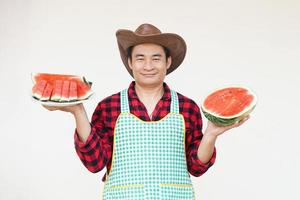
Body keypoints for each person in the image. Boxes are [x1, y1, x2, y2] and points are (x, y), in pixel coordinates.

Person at [44, 23, 249, 199]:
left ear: (167, 62)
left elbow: (196, 167)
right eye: (140, 58)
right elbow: (95, 162)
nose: (148, 65)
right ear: (130, 63)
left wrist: (211, 133)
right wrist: (79, 111)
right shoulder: (109, 107)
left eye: (156, 58)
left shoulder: (187, 107)